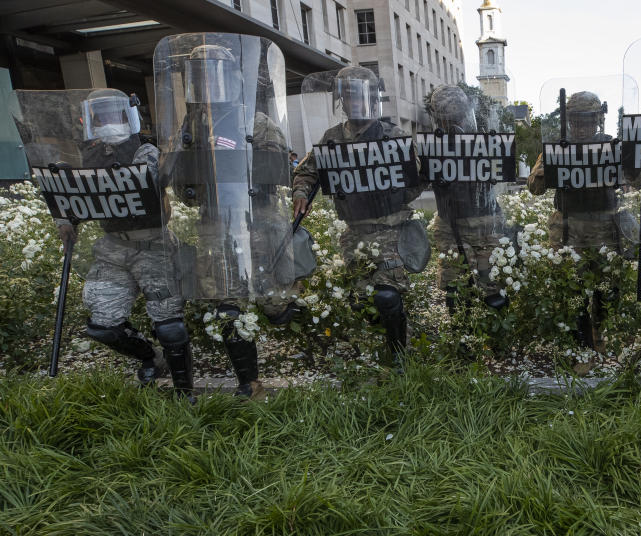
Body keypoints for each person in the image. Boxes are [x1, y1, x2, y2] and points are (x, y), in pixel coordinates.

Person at [158, 35, 296, 400]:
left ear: (233, 78)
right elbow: (172, 173)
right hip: (213, 225)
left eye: (214, 74)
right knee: (227, 308)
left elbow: (277, 165)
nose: (207, 84)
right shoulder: (189, 126)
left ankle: (297, 328)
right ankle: (248, 382)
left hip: (257, 221)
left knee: (278, 308)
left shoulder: (255, 119)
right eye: (200, 76)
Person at [57, 90, 193, 399]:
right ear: (91, 119)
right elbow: (75, 195)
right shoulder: (86, 155)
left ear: (127, 116)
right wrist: (64, 219)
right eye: (100, 116)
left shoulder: (143, 150)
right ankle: (151, 358)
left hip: (153, 246)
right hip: (112, 248)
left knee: (170, 325)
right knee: (102, 325)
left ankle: (185, 392)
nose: (107, 121)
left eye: (113, 115)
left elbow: (156, 182)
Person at [292, 66, 425, 359]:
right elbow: (307, 171)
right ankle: (389, 339)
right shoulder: (331, 138)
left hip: (389, 231)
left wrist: (386, 189)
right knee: (360, 300)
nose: (354, 102)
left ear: (372, 98)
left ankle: (397, 355)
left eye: (360, 96)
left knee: (387, 296)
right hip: (354, 233)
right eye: (349, 96)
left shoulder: (393, 135)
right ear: (342, 99)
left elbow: (414, 182)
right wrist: (301, 192)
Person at [527, 90, 623, 349]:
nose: (582, 127)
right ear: (569, 121)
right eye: (576, 121)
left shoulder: (610, 145)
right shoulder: (559, 147)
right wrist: (549, 166)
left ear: (598, 120)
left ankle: (599, 333)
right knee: (572, 287)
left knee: (605, 285)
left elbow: (633, 177)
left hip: (603, 225)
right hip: (568, 227)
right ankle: (580, 341)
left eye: (588, 121)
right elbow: (534, 187)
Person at [427, 85, 509, 314]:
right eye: (446, 119)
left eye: (458, 117)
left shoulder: (484, 143)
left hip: (485, 225)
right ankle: (463, 348)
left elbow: (502, 171)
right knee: (456, 296)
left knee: (493, 294)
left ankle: (495, 347)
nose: (453, 124)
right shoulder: (431, 148)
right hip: (450, 227)